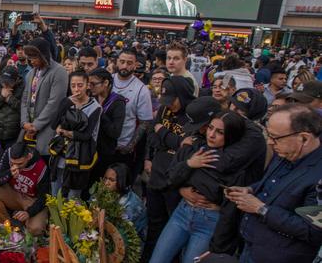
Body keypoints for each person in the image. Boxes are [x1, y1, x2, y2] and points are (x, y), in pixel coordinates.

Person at [228, 104, 322, 263]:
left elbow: (312, 231)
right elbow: (273, 183)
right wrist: (250, 190)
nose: (270, 143)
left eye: (275, 137)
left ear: (304, 138)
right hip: (251, 245)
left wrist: (260, 208)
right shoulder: (286, 151)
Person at [151, 111, 246, 263]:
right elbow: (170, 177)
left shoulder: (235, 164)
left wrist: (217, 246)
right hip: (182, 213)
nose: (212, 135)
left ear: (231, 135)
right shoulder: (195, 147)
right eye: (210, 128)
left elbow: (227, 206)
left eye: (219, 132)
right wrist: (189, 165)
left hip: (209, 220)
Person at [143, 76, 196, 260]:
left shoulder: (193, 114)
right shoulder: (164, 109)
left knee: (174, 229)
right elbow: (151, 134)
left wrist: (162, 132)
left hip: (176, 182)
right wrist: (172, 141)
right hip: (156, 175)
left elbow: (187, 147)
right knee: (154, 223)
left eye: (172, 100)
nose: (169, 105)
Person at [49, 71, 101, 198]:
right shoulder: (67, 101)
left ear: (87, 85)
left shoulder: (95, 107)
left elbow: (86, 135)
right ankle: (54, 217)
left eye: (80, 85)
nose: (76, 89)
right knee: (56, 193)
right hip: (61, 154)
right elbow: (53, 124)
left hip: (79, 157)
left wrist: (65, 132)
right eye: (73, 86)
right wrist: (65, 105)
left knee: (73, 196)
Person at [0, 142, 50, 236]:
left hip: (32, 200)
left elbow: (44, 198)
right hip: (14, 193)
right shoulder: (8, 154)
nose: (16, 166)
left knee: (36, 229)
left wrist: (29, 213)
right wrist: (9, 173)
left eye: (20, 163)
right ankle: (7, 225)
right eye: (13, 163)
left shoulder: (41, 167)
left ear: (28, 157)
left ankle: (27, 224)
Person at [20, 37, 69, 157]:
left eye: (34, 57)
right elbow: (25, 98)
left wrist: (36, 126)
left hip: (46, 130)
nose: (31, 61)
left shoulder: (59, 71)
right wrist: (24, 122)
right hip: (28, 128)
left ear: (44, 55)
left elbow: (54, 103)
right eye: (29, 57)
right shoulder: (31, 73)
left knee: (42, 163)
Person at [111, 49, 153, 176]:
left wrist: (130, 146)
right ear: (116, 62)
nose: (125, 66)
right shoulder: (107, 80)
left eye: (129, 63)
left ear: (135, 65)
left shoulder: (141, 89)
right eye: (122, 61)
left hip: (122, 147)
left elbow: (145, 122)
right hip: (102, 143)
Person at [87, 68, 125, 186]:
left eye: (93, 84)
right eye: (89, 84)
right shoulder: (91, 97)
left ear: (106, 83)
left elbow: (115, 132)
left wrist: (100, 112)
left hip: (104, 153)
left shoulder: (118, 102)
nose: (90, 87)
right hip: (88, 150)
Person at [102, 162, 148, 240]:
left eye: (111, 180)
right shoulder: (103, 193)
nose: (106, 183)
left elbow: (122, 235)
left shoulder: (131, 205)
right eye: (105, 178)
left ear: (122, 181)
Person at [0, 66, 23, 148]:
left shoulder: (23, 88)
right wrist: (1, 97)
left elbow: (24, 110)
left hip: (13, 136)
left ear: (16, 80)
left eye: (9, 82)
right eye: (3, 81)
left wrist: (10, 99)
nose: (5, 84)